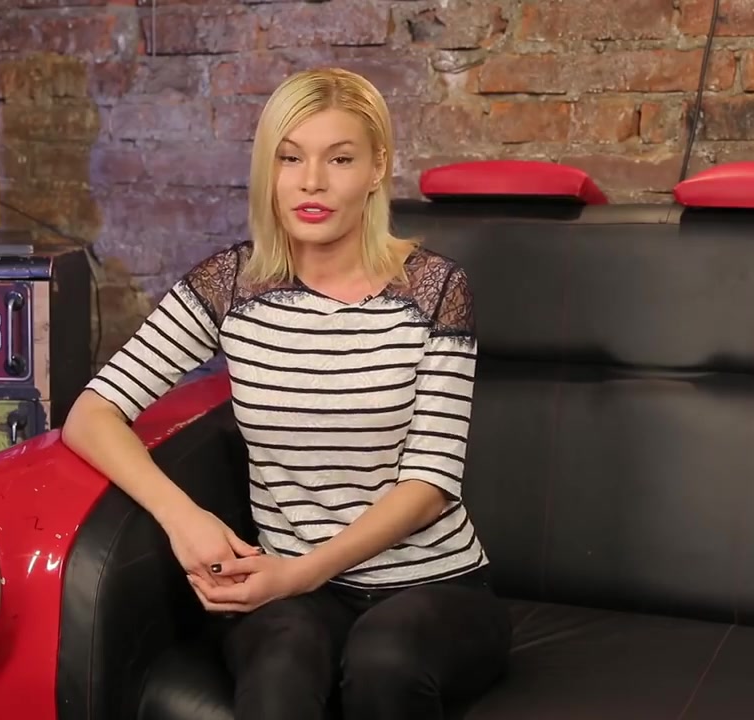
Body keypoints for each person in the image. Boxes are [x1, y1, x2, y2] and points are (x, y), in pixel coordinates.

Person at [61, 67, 511, 720]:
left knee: (383, 664)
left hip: (432, 583)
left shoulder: (435, 289)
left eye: (340, 159)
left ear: (377, 168)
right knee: (279, 672)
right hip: (291, 593)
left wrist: (300, 573)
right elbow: (92, 414)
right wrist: (185, 520)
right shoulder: (230, 286)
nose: (311, 182)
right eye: (290, 157)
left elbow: (429, 484)